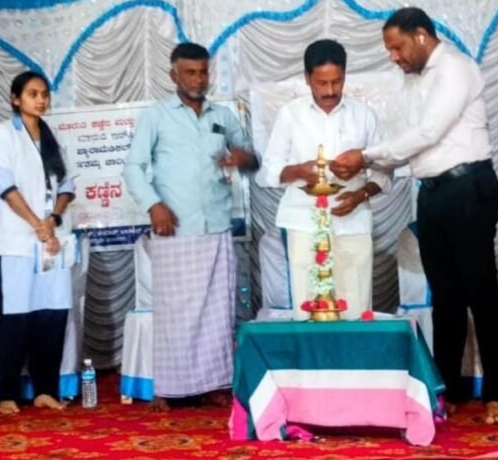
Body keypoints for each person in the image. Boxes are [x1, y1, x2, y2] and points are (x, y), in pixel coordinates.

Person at [338, 8, 498, 425]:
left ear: (420, 35)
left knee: (481, 291)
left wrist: (364, 156)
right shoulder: (410, 82)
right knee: (445, 297)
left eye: (397, 47)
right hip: (432, 192)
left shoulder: (455, 68)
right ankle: (447, 389)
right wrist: (367, 171)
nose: (394, 57)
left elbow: (427, 133)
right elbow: (403, 142)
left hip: (468, 186)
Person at [123, 42, 258, 412]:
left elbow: (250, 158)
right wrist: (154, 205)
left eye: (203, 72)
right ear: (174, 75)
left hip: (216, 227)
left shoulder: (223, 116)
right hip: (175, 228)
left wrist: (243, 158)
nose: (198, 79)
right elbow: (133, 167)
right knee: (174, 311)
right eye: (190, 73)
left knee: (217, 312)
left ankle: (215, 383)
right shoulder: (156, 116)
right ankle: (169, 388)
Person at [260, 39, 390, 320]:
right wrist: (298, 171)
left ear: (345, 76)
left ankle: (354, 350)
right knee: (308, 307)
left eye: (337, 81)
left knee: (355, 307)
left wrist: (360, 195)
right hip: (303, 222)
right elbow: (269, 171)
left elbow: (385, 172)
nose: (330, 91)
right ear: (307, 78)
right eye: (321, 83)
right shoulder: (291, 115)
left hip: (353, 221)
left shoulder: (364, 115)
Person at [0, 71, 77, 415]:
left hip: (51, 244)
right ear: (15, 99)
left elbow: (67, 186)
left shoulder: (54, 138)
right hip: (17, 243)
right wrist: (37, 224)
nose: (41, 100)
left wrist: (52, 221)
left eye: (44, 94)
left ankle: (45, 390)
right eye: (33, 94)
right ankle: (8, 392)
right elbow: (5, 188)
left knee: (51, 315)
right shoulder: (2, 135)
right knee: (14, 317)